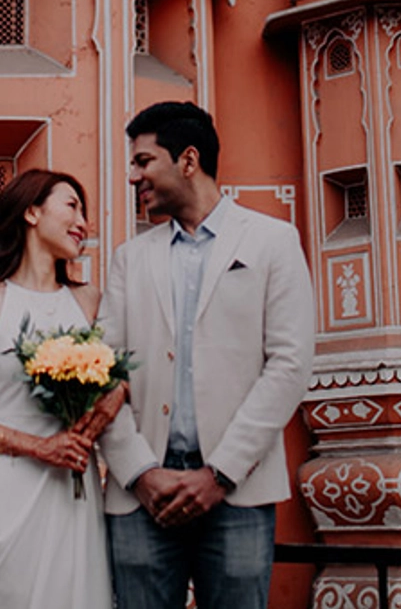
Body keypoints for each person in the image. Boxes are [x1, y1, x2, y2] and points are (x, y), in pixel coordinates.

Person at [98, 101, 315, 609]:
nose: (134, 177)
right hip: (139, 495)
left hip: (238, 491)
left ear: (188, 160)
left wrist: (218, 474)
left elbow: (289, 364)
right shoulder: (129, 259)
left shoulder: (273, 242)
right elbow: (101, 372)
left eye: (144, 161)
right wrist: (139, 472)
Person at [0, 169, 126, 609]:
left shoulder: (88, 300)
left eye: (85, 213)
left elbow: (120, 379)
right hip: (9, 485)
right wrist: (38, 447)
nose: (83, 223)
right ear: (32, 211)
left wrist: (100, 415)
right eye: (72, 206)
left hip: (74, 485)